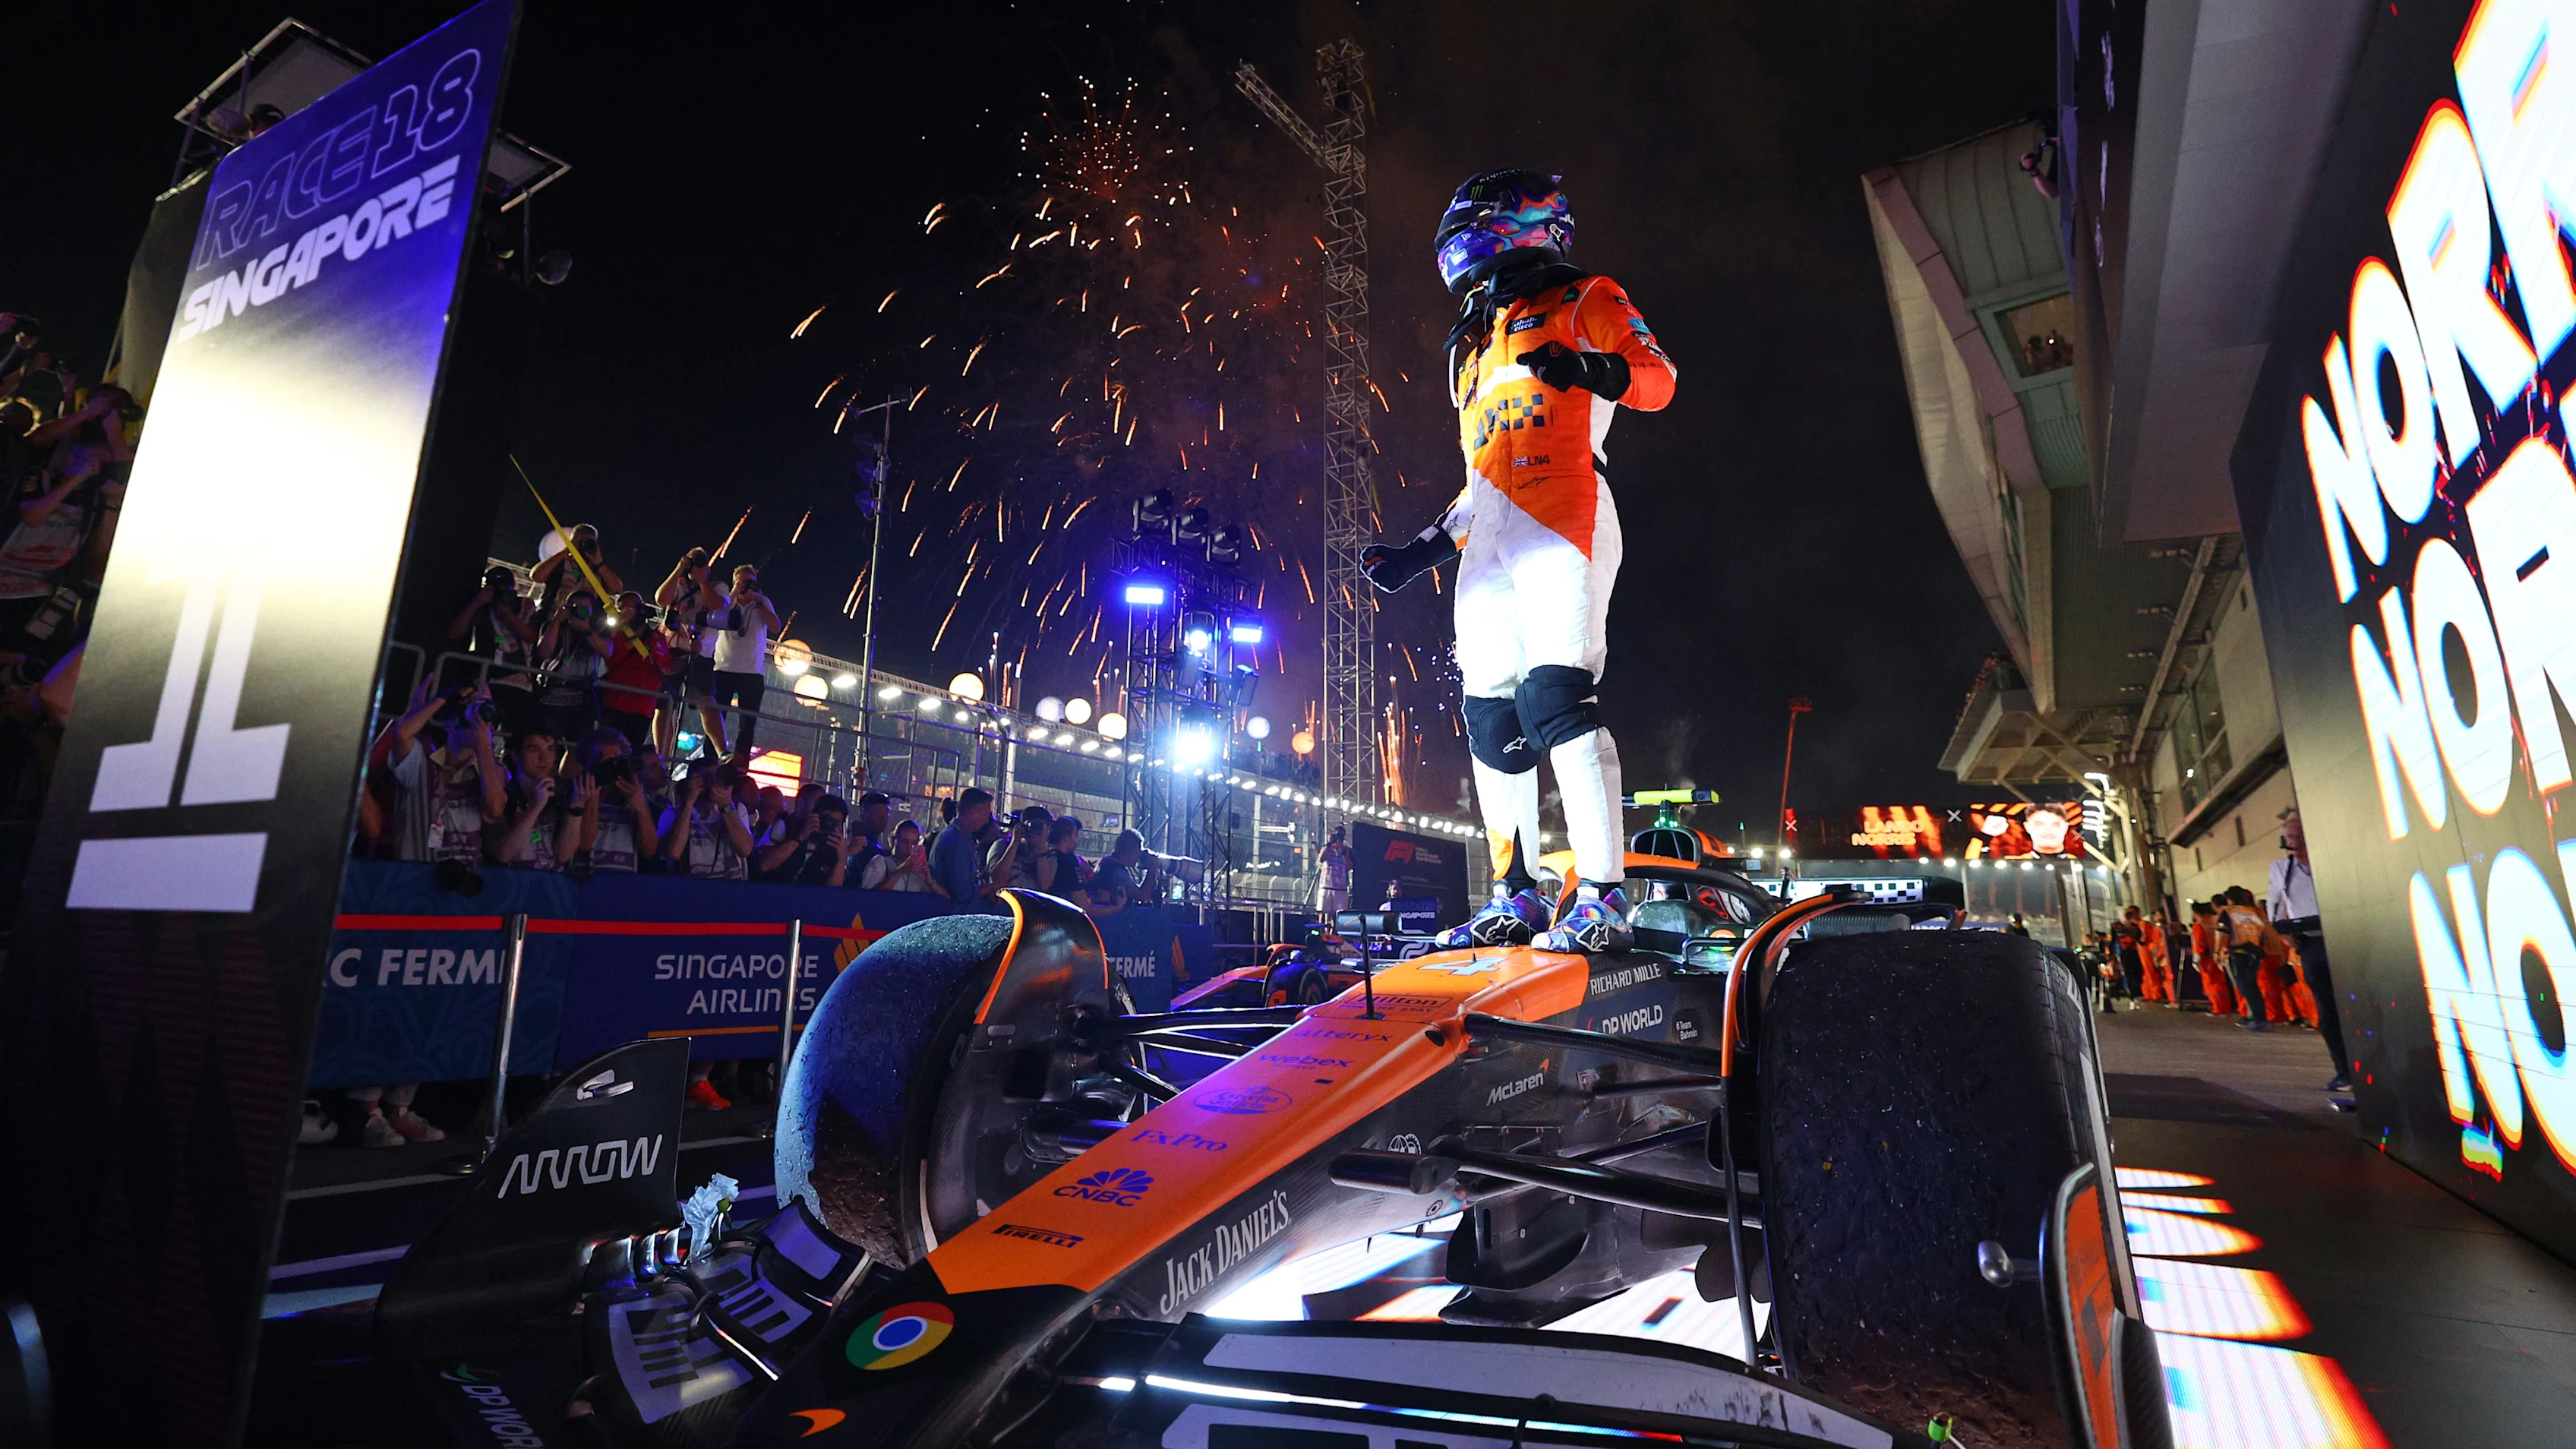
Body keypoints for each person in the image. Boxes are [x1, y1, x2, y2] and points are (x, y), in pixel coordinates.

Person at [1362, 169, 1675, 952]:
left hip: (1565, 512)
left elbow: (1659, 382)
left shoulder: (1585, 298)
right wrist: (1422, 550)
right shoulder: (1468, 352)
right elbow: (1480, 481)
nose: (1461, 254)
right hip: (1492, 536)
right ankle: (1515, 894)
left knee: (1557, 698)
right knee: (1489, 715)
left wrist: (1593, 369)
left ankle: (1602, 898)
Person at [2268, 813, 2350, 1093]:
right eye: (2290, 838)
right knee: (2327, 1009)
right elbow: (2275, 903)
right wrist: (2283, 931)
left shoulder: (2328, 861)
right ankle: (2344, 1072)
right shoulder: (2280, 869)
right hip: (2311, 943)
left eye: (2299, 837)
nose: (2295, 843)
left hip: (2344, 936)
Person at [655, 546, 733, 756]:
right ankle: (661, 754)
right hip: (671, 650)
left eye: (699, 561)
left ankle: (722, 751)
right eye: (692, 561)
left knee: (706, 702)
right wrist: (679, 569)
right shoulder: (678, 585)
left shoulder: (717, 587)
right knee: (664, 705)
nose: (694, 565)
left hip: (701, 655)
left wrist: (702, 581)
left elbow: (718, 608)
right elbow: (661, 600)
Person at [445, 567, 540, 730]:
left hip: (517, 675)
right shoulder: (482, 607)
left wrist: (508, 616)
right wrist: (477, 603)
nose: (501, 596)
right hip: (485, 673)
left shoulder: (524, 605)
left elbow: (532, 637)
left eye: (506, 591)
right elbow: (454, 633)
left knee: (516, 727)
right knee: (474, 722)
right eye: (496, 591)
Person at [709, 563, 779, 757]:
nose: (747, 586)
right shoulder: (726, 601)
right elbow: (717, 617)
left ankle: (739, 767)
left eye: (751, 582)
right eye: (743, 582)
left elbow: (775, 626)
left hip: (752, 673)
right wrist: (733, 594)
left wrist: (757, 602)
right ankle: (711, 760)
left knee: (747, 726)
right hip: (723, 668)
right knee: (716, 719)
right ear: (735, 582)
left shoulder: (762, 602)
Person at [533, 586, 614, 744]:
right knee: (547, 743)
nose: (581, 611)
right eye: (576, 607)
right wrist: (557, 620)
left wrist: (586, 630)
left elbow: (607, 651)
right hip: (553, 695)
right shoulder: (554, 626)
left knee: (579, 750)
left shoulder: (599, 629)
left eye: (586, 608)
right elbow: (544, 652)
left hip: (582, 699)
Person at [596, 591, 668, 750]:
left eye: (634, 608)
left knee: (632, 752)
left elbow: (662, 665)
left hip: (642, 708)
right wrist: (628, 642)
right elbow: (609, 660)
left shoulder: (656, 637)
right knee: (608, 749)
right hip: (615, 703)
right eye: (626, 609)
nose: (631, 612)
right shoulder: (614, 635)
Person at [660, 762, 756, 879]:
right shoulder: (672, 814)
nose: (712, 782)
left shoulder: (737, 810)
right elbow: (673, 853)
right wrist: (689, 802)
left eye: (716, 776)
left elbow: (745, 850)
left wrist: (726, 807)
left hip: (730, 891)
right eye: (706, 777)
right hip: (688, 890)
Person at [2221, 886, 2287, 1031]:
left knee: (2247, 988)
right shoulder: (2253, 912)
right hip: (2256, 952)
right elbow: (2264, 931)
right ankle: (2257, 1017)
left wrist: (2218, 951)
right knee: (2252, 987)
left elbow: (2224, 934)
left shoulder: (2230, 913)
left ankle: (2260, 1019)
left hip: (2240, 952)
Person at [529, 522, 625, 618]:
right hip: (552, 619)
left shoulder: (599, 570)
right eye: (580, 542)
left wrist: (599, 564)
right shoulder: (560, 564)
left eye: (589, 542)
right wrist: (565, 552)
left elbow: (616, 589)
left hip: (584, 625)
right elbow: (536, 576)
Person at [931, 787, 996, 909]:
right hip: (955, 913)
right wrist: (992, 887)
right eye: (986, 814)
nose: (987, 821)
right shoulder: (956, 840)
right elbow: (963, 893)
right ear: (973, 812)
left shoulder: (956, 835)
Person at [988, 804, 1050, 893]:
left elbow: (1046, 887)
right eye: (1032, 825)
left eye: (1039, 827)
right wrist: (1015, 843)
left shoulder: (1047, 855)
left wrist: (1041, 850)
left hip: (1031, 904)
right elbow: (997, 880)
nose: (1035, 830)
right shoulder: (1002, 845)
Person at [860, 819, 936, 892]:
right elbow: (869, 896)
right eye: (905, 841)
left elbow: (944, 899)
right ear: (895, 840)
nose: (909, 848)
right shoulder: (880, 863)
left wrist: (930, 882)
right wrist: (900, 871)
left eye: (914, 843)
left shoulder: (920, 870)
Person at [2191, 901, 2237, 1016]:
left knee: (2212, 985)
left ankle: (2218, 1008)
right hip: (2220, 956)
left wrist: (2197, 961)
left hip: (2207, 959)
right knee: (2222, 984)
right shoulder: (2216, 920)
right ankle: (2226, 1007)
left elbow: (2199, 944)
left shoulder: (2199, 925)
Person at [1036, 815, 1088, 896]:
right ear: (1066, 838)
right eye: (1075, 837)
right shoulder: (1068, 862)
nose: (1076, 843)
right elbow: (1083, 904)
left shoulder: (1042, 855)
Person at [1318, 826, 1352, 916]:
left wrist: (1343, 853)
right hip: (1326, 885)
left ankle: (1334, 930)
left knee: (1338, 915)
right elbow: (1321, 858)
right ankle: (1322, 929)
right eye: (1338, 835)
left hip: (1340, 887)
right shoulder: (1328, 848)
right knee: (1323, 913)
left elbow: (1349, 867)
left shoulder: (1347, 850)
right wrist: (1330, 843)